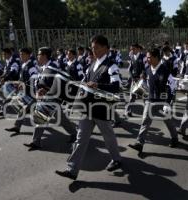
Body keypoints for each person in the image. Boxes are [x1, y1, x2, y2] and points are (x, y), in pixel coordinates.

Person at [55, 35, 122, 180]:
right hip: (87, 107)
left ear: (106, 48)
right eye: (92, 48)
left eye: (97, 47)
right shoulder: (92, 64)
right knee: (80, 138)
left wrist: (98, 85)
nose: (94, 50)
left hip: (102, 108)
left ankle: (116, 159)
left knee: (108, 137)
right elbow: (85, 81)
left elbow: (116, 87)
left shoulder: (111, 65)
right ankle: (72, 170)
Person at [128, 48, 179, 154]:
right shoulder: (147, 69)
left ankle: (175, 138)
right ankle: (139, 143)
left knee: (168, 122)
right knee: (145, 122)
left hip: (162, 102)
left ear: (156, 57)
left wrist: (168, 103)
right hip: (150, 100)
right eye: (147, 57)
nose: (147, 59)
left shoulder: (164, 70)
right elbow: (146, 84)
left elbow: (173, 86)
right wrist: (140, 89)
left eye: (149, 57)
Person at [5, 47, 39, 133]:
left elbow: (34, 77)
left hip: (33, 93)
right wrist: (19, 83)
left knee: (35, 113)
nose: (21, 56)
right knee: (24, 109)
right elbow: (22, 78)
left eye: (22, 54)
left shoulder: (31, 66)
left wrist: (24, 84)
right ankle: (17, 126)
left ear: (28, 55)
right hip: (27, 93)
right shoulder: (24, 65)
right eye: (20, 54)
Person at [124, 43, 146, 117]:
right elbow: (130, 69)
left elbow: (146, 67)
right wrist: (132, 77)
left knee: (143, 96)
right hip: (134, 80)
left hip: (141, 80)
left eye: (134, 49)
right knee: (132, 96)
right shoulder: (132, 57)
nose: (132, 50)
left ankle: (147, 112)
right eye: (131, 49)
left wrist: (143, 74)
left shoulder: (143, 57)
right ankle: (128, 111)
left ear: (138, 49)